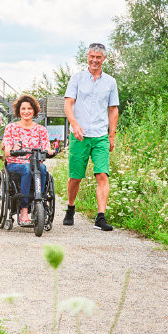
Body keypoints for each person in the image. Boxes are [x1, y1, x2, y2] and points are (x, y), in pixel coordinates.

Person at [63, 42, 120, 231]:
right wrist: (74, 124)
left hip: (100, 135)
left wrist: (111, 135)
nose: (95, 60)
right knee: (75, 177)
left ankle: (100, 217)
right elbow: (68, 103)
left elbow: (113, 109)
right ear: (87, 57)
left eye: (98, 57)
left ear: (104, 59)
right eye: (92, 56)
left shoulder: (110, 82)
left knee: (102, 174)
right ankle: (71, 208)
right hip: (79, 135)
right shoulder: (77, 78)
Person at [2, 94, 54, 225]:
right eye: (23, 108)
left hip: (35, 164)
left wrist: (50, 151)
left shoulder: (41, 130)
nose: (26, 111)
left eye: (29, 108)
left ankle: (39, 203)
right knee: (26, 168)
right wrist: (14, 148)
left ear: (34, 111)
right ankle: (24, 209)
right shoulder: (11, 128)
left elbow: (46, 147)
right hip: (16, 164)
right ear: (19, 111)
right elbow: (6, 151)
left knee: (42, 168)